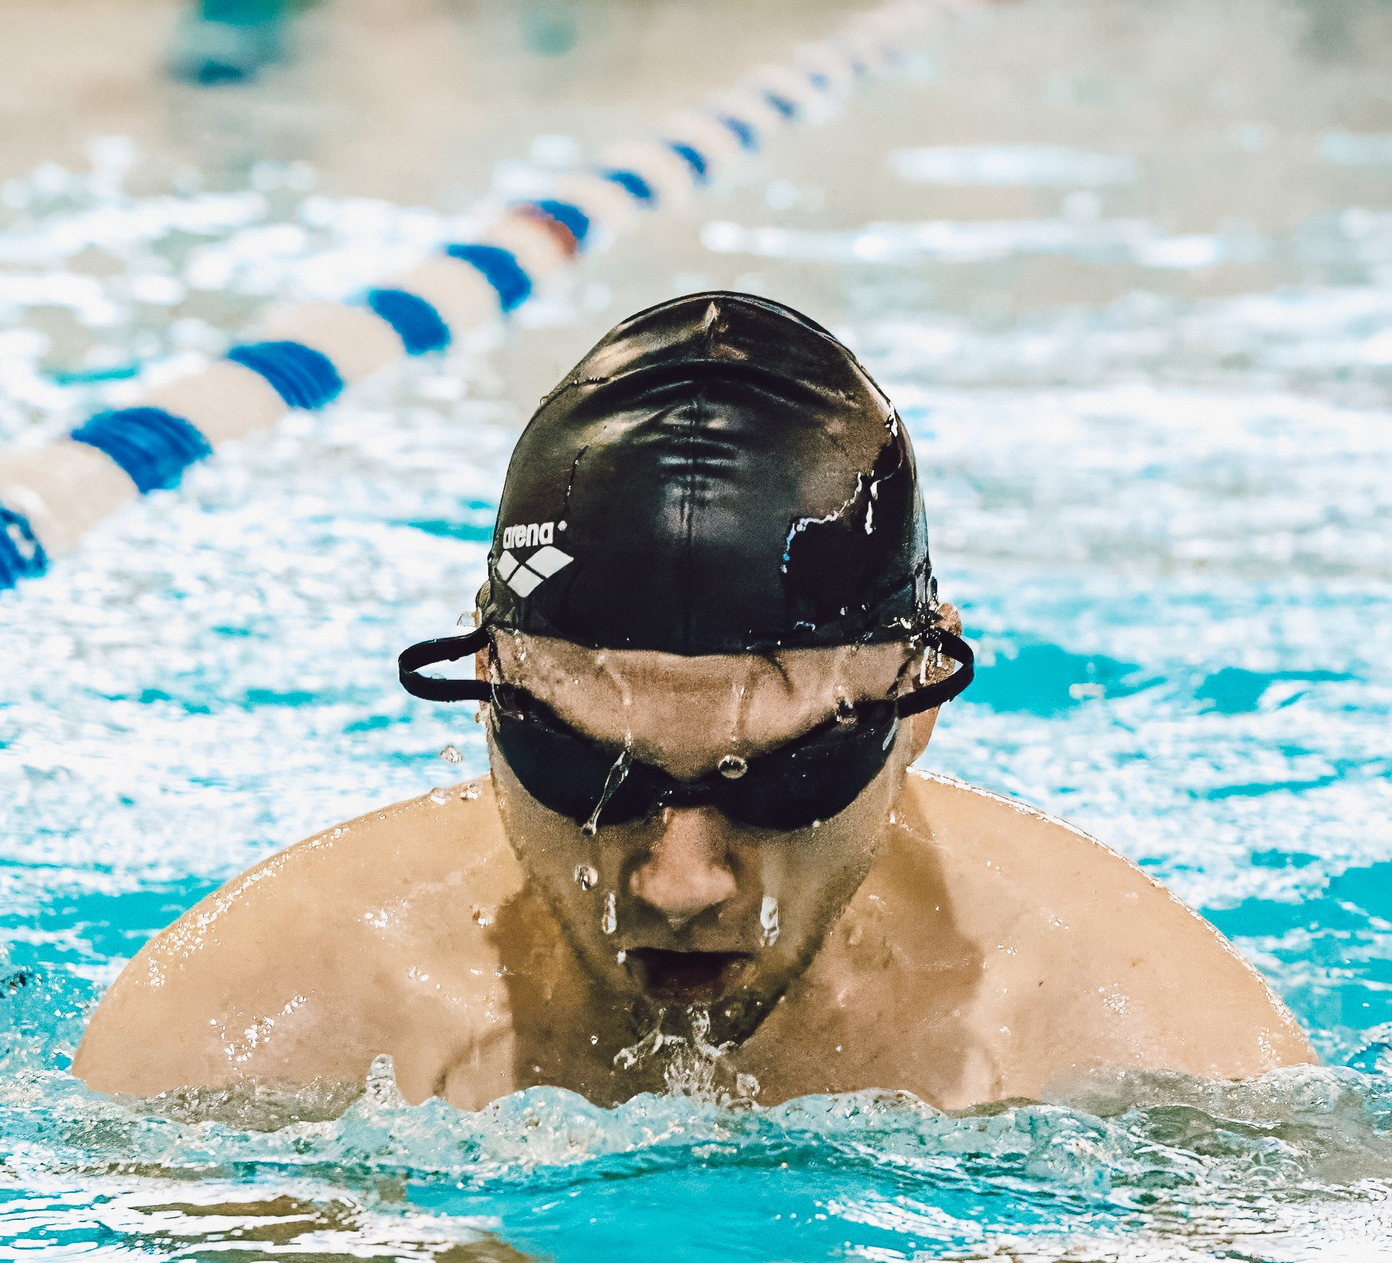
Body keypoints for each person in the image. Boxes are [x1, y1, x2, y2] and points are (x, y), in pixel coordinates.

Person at [74, 292, 1314, 1115]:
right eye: (585, 769)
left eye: (783, 777)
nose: (679, 881)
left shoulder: (1144, 1055)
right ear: (489, 691)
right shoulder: (236, 1040)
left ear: (917, 706)